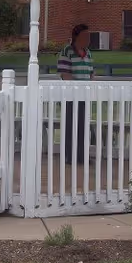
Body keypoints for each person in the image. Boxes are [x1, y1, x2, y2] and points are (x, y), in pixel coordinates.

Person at [58, 23, 94, 164]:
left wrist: (89, 88)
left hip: (85, 96)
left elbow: (91, 73)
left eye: (89, 36)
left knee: (84, 126)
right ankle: (70, 156)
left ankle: (82, 155)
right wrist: (76, 89)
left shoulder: (89, 52)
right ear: (76, 36)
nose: (88, 39)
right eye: (85, 36)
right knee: (71, 125)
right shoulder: (67, 51)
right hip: (70, 96)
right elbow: (65, 74)